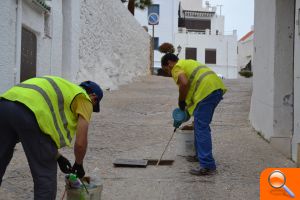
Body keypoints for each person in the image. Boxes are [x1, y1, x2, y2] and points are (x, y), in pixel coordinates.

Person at [0, 76, 103, 199]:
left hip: (4, 104)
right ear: (94, 97)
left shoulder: (65, 89)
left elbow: (42, 138)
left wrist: (58, 157)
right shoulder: (84, 98)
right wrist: (79, 164)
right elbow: (80, 143)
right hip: (30, 113)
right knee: (45, 176)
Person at [161, 53, 227, 176]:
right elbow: (191, 87)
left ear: (169, 63)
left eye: (167, 69)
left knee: (201, 127)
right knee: (199, 125)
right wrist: (186, 107)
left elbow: (184, 83)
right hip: (215, 89)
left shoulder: (176, 67)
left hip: (206, 91)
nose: (169, 73)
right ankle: (199, 155)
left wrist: (181, 100)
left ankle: (207, 165)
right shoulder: (187, 63)